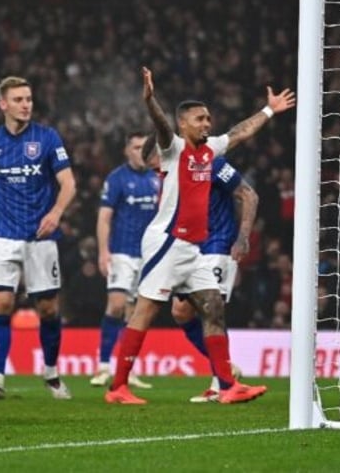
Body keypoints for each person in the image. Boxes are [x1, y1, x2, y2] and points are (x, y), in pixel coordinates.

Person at [105, 67, 294, 404]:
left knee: (213, 307)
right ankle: (118, 386)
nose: (207, 124)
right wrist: (150, 100)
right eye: (200, 119)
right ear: (184, 124)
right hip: (167, 240)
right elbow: (162, 125)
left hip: (193, 247)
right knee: (146, 311)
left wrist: (268, 110)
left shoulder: (211, 151)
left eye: (208, 119)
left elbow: (239, 132)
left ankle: (227, 386)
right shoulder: (173, 148)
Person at [0, 76, 77, 400]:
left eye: (28, 98)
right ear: (3, 104)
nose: (26, 104)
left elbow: (69, 183)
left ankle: (51, 374)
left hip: (39, 237)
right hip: (2, 235)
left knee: (47, 309)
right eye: (18, 99)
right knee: (1, 303)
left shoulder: (46, 138)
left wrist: (56, 212)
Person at [140, 134, 259, 402]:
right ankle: (225, 370)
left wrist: (242, 238)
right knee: (181, 312)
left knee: (211, 311)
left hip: (218, 243)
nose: (158, 173)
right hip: (190, 247)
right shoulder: (174, 176)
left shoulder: (211, 163)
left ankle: (221, 383)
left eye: (156, 166)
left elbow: (249, 195)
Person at [90, 131, 159, 389]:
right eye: (136, 147)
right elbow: (104, 217)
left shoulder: (157, 178)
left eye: (144, 147)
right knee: (117, 305)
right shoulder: (117, 178)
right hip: (121, 252)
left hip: (149, 255)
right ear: (126, 150)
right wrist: (102, 251)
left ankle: (127, 370)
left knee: (135, 314)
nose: (140, 151)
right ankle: (103, 365)